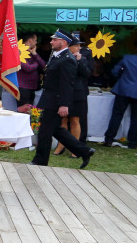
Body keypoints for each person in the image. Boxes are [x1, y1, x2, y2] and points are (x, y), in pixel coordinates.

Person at [31, 30, 95, 167]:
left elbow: (67, 84)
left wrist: (64, 104)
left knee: (45, 132)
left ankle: (40, 161)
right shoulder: (58, 56)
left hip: (55, 100)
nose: (51, 42)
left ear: (63, 42)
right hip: (50, 98)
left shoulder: (67, 59)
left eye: (54, 39)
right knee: (55, 129)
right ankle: (84, 150)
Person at [54, 33, 92, 156]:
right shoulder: (61, 57)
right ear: (69, 46)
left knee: (75, 120)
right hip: (64, 92)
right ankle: (61, 146)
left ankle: (75, 148)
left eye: (79, 46)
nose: (79, 48)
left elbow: (87, 74)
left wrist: (80, 61)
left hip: (77, 93)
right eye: (76, 46)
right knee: (63, 119)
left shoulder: (83, 58)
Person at [103, 38, 137, 149]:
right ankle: (133, 142)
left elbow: (115, 72)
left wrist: (123, 78)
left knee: (117, 115)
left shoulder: (127, 58)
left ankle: (109, 139)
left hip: (123, 89)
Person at [15, 33, 46, 107]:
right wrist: (36, 63)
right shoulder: (19, 51)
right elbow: (27, 68)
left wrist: (35, 54)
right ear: (30, 41)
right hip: (23, 87)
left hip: (32, 87)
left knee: (31, 110)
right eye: (35, 40)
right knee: (24, 110)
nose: (36, 42)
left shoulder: (32, 52)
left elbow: (43, 65)